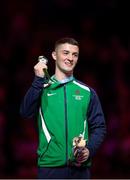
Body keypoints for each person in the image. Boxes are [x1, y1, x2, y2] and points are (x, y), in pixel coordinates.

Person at [20, 37, 106, 179]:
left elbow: (100, 127)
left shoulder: (87, 92)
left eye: (75, 54)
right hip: (49, 169)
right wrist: (38, 81)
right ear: (54, 55)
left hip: (80, 170)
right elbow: (25, 113)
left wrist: (89, 150)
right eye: (65, 53)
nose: (70, 58)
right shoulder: (42, 88)